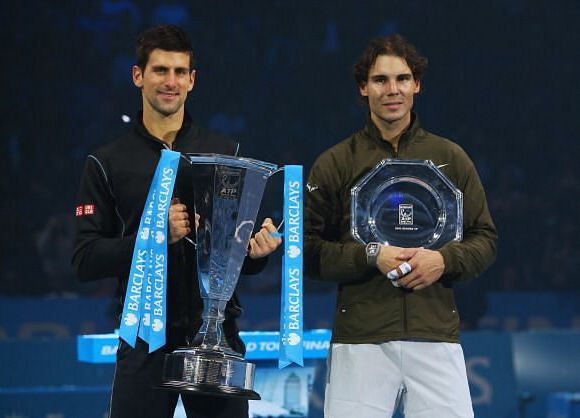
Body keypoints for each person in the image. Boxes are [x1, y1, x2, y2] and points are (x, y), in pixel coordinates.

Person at [72, 24, 281, 418]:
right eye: (160, 71)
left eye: (180, 72)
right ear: (138, 76)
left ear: (192, 80)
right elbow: (85, 259)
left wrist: (258, 253)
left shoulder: (225, 152)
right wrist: (153, 236)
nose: (171, 82)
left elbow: (238, 257)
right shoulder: (107, 162)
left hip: (217, 338)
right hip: (144, 343)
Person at [304, 34, 498, 418]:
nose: (392, 90)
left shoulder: (450, 157)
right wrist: (369, 256)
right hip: (361, 339)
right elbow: (307, 252)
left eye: (403, 78)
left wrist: (444, 261)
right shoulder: (335, 162)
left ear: (417, 84)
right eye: (380, 80)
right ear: (363, 88)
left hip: (435, 333)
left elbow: (486, 239)